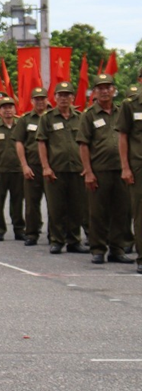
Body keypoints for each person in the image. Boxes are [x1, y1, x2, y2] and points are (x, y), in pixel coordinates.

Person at [77, 73, 133, 265]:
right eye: (100, 88)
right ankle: (98, 249)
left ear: (113, 90)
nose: (104, 91)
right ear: (94, 92)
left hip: (121, 169)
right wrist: (88, 171)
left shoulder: (122, 112)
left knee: (121, 211)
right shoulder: (88, 115)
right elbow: (83, 144)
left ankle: (117, 249)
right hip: (99, 170)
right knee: (97, 212)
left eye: (107, 87)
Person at [37, 82, 89, 254]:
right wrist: (45, 167)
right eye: (60, 95)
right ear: (55, 97)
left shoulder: (81, 117)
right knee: (56, 207)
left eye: (67, 95)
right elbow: (42, 143)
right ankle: (57, 240)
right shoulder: (47, 117)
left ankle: (74, 240)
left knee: (77, 207)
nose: (64, 98)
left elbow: (87, 143)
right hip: (56, 169)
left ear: (72, 98)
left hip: (77, 169)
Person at [13, 86, 50, 246]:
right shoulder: (25, 119)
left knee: (55, 203)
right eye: (37, 99)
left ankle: (55, 235)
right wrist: (24, 165)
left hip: (52, 166)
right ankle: (32, 233)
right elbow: (19, 142)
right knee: (31, 203)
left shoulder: (53, 118)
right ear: (32, 101)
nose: (40, 101)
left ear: (47, 100)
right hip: (32, 166)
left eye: (42, 98)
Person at [0, 97, 25, 242]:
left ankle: (19, 229)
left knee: (18, 202)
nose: (7, 110)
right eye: (4, 107)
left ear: (15, 109)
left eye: (10, 107)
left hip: (18, 170)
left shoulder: (21, 124)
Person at [116, 65, 142, 274]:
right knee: (140, 214)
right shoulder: (130, 105)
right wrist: (125, 167)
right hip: (138, 166)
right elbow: (123, 136)